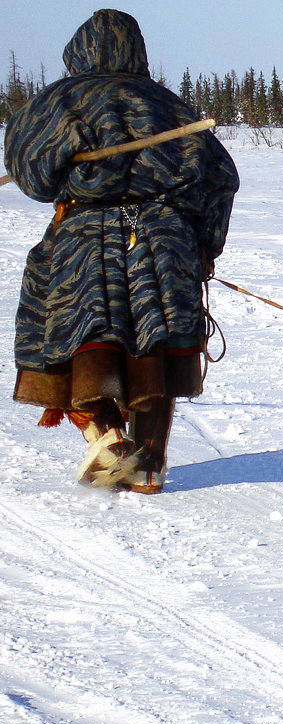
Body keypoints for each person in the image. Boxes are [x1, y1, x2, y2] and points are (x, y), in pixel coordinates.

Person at [3, 9, 239, 493]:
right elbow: (219, 180)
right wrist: (203, 248)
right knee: (155, 340)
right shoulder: (167, 106)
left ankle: (106, 435)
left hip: (84, 239)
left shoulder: (60, 102)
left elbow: (31, 172)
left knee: (73, 330)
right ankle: (148, 463)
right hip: (164, 238)